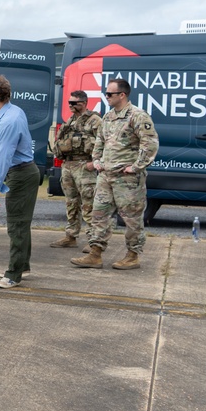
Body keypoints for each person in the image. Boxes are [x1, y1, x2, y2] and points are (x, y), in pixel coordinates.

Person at [72, 78, 159, 270]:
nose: (106, 97)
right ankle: (95, 254)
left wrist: (136, 167)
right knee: (99, 214)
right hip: (106, 176)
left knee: (131, 218)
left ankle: (133, 255)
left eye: (110, 94)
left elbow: (150, 144)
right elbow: (99, 142)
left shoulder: (137, 116)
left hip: (127, 179)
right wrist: (97, 161)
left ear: (122, 95)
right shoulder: (109, 117)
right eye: (106, 93)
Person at [0, 75, 39, 288]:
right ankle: (22, 265)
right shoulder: (15, 112)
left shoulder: (8, 120)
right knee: (22, 223)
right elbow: (11, 149)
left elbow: (5, 153)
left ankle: (13, 274)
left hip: (21, 174)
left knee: (16, 225)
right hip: (23, 170)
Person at [51, 90, 102, 251]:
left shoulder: (95, 121)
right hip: (69, 165)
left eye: (74, 103)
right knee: (71, 203)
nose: (71, 106)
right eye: (69, 103)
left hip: (84, 167)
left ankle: (93, 241)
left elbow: (105, 144)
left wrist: (95, 163)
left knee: (88, 204)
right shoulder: (71, 120)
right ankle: (71, 236)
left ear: (84, 103)